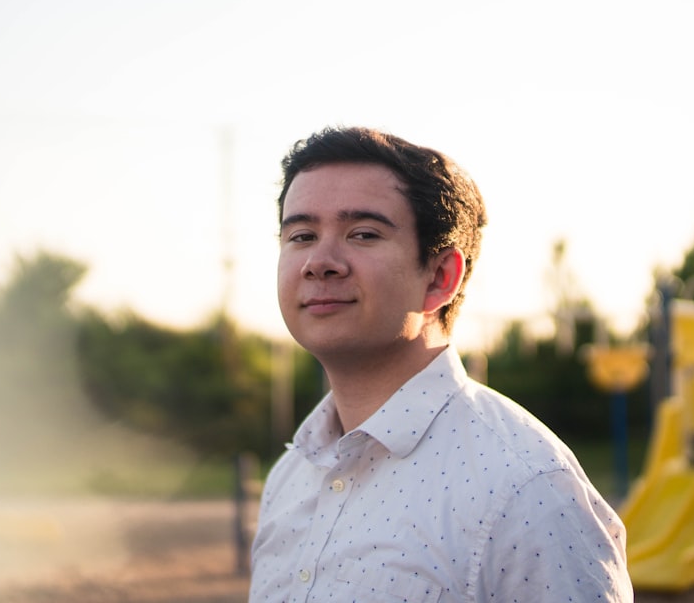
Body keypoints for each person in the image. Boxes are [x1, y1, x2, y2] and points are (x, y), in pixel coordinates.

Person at [249, 126, 632, 602]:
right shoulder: (291, 475)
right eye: (301, 235)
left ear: (440, 276)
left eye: (362, 234)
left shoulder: (528, 489)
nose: (319, 262)